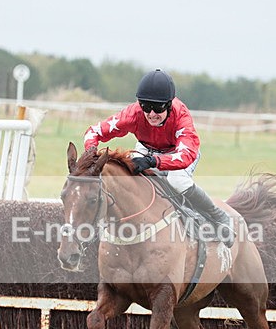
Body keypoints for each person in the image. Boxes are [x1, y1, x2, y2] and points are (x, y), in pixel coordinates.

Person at [82, 68, 234, 246]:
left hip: (178, 152)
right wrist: (91, 153)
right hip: (147, 149)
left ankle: (218, 216)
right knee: (126, 174)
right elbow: (94, 132)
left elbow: (185, 155)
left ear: (169, 105)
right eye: (146, 106)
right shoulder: (133, 114)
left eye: (158, 108)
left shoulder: (181, 117)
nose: (152, 114)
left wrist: (155, 161)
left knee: (177, 181)